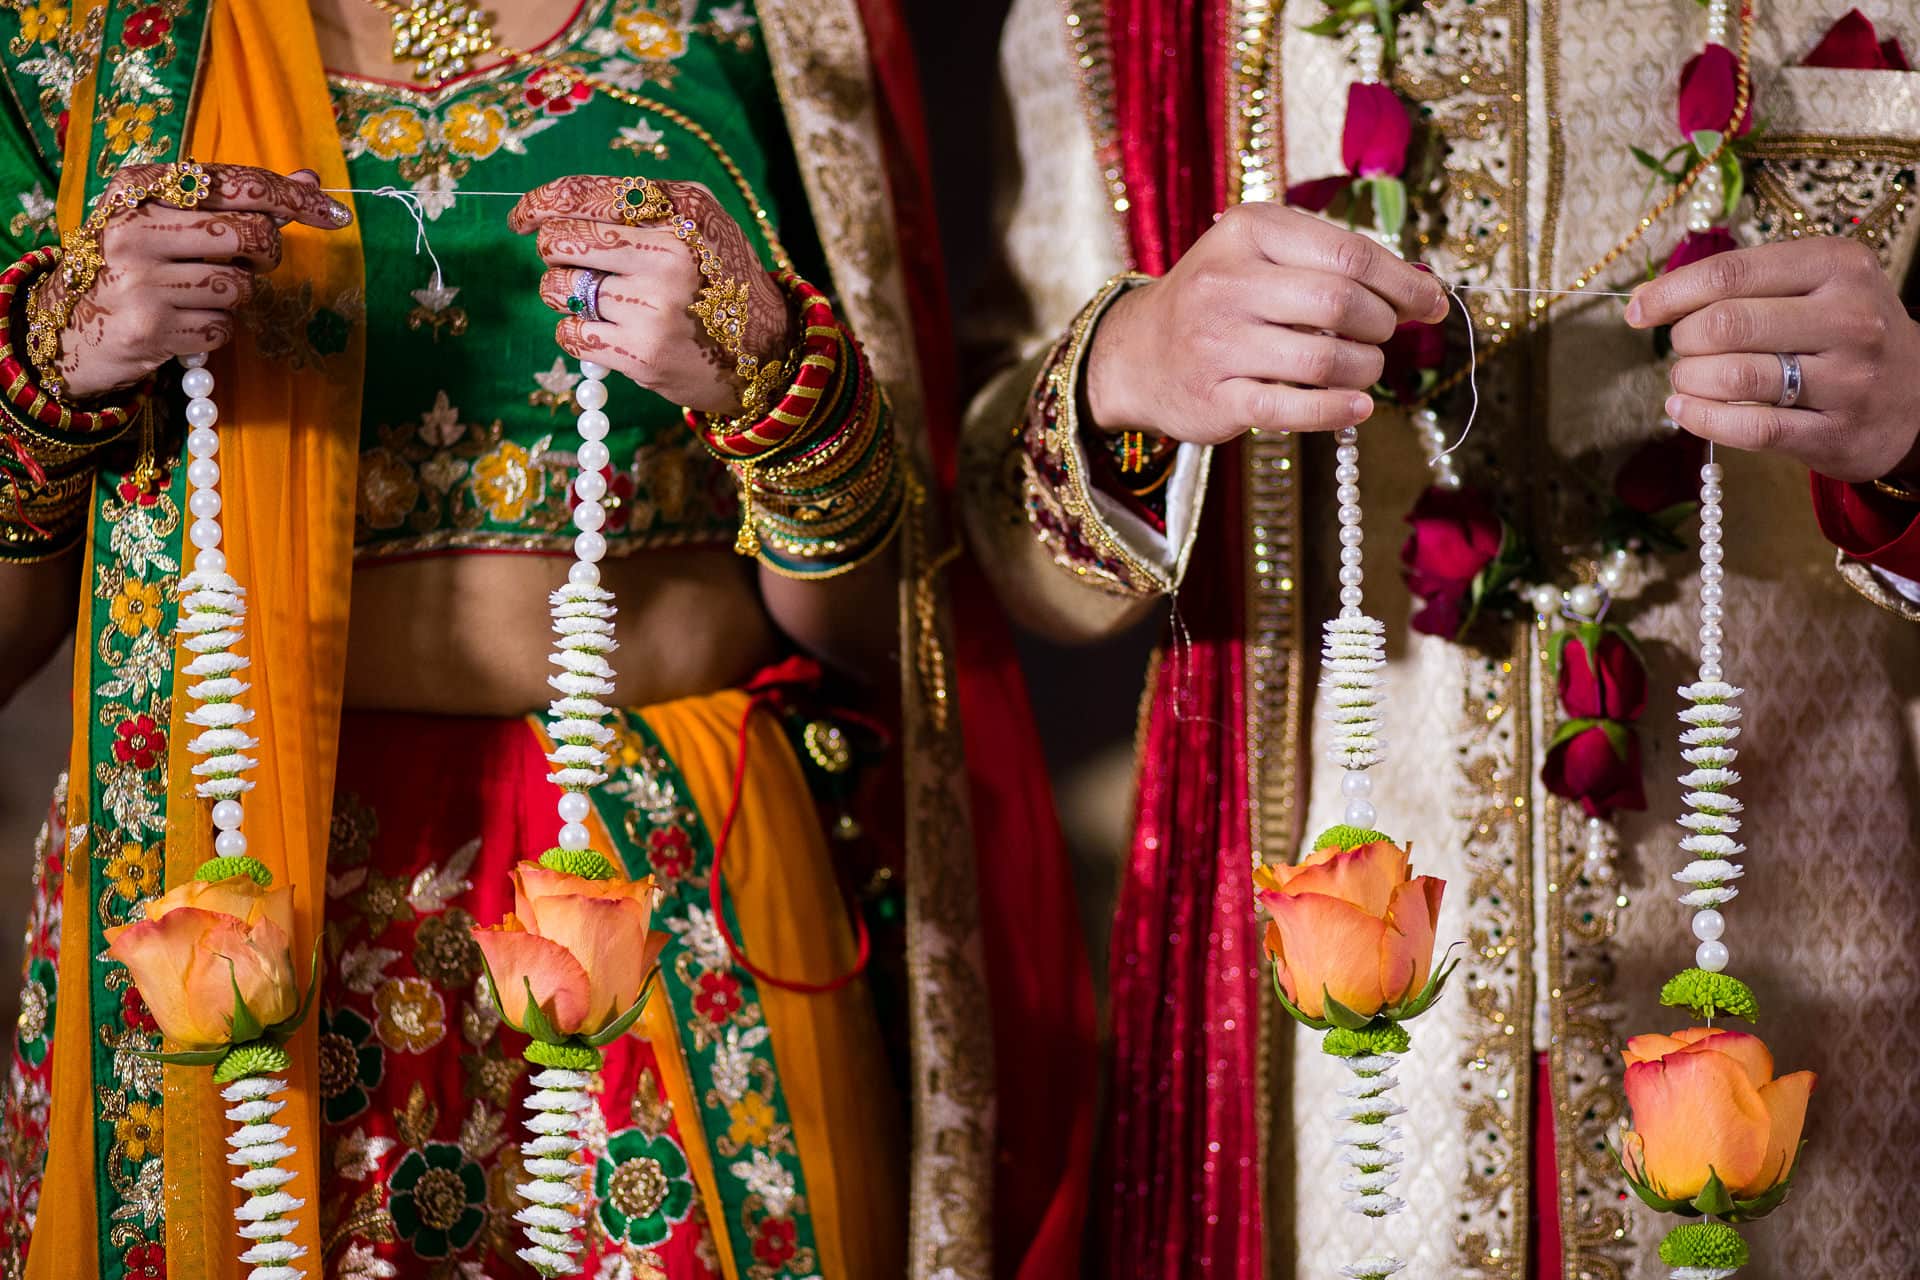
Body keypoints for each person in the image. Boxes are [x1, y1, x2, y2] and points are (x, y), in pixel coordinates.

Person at [0, 2, 1125, 1277]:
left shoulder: (772, 24)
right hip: (239, 887)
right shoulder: (74, 46)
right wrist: (45, 385)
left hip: (667, 873)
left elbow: (897, 631)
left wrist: (775, 390)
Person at [956, 0, 1920, 1275]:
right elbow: (999, 535)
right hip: (1335, 1004)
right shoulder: (1142, 19)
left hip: (1827, 942)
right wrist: (1124, 370)